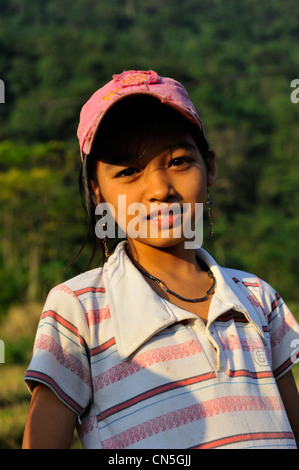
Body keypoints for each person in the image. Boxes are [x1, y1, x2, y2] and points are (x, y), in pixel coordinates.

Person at [23, 70, 299, 449]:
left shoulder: (258, 298)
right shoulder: (80, 310)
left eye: (179, 161)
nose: (159, 189)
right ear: (97, 190)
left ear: (211, 167)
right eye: (129, 171)